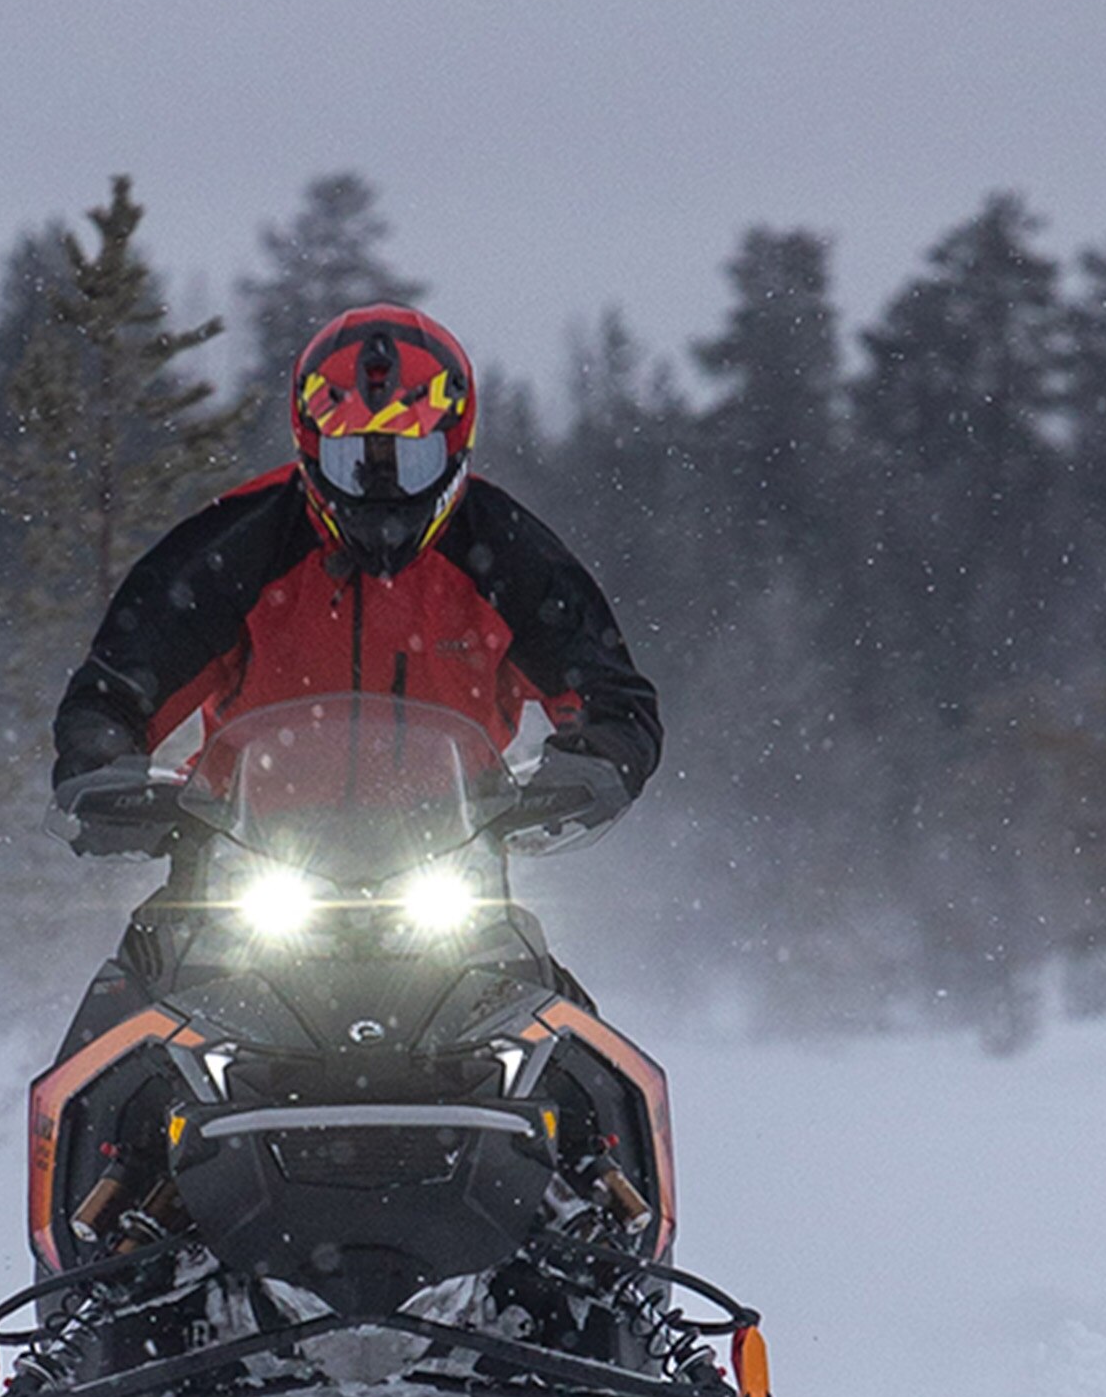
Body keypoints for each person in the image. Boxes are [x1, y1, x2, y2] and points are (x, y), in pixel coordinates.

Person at [45, 303, 661, 1043]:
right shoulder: (237, 546)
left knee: (580, 1054)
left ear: (455, 450)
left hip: (448, 879)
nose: (383, 491)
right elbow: (116, 685)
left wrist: (589, 765)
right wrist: (107, 769)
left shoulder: (506, 554)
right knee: (112, 1041)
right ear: (311, 454)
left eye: (410, 461)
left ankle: (611, 1164)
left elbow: (612, 694)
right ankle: (96, 1164)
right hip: (245, 878)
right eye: (354, 462)